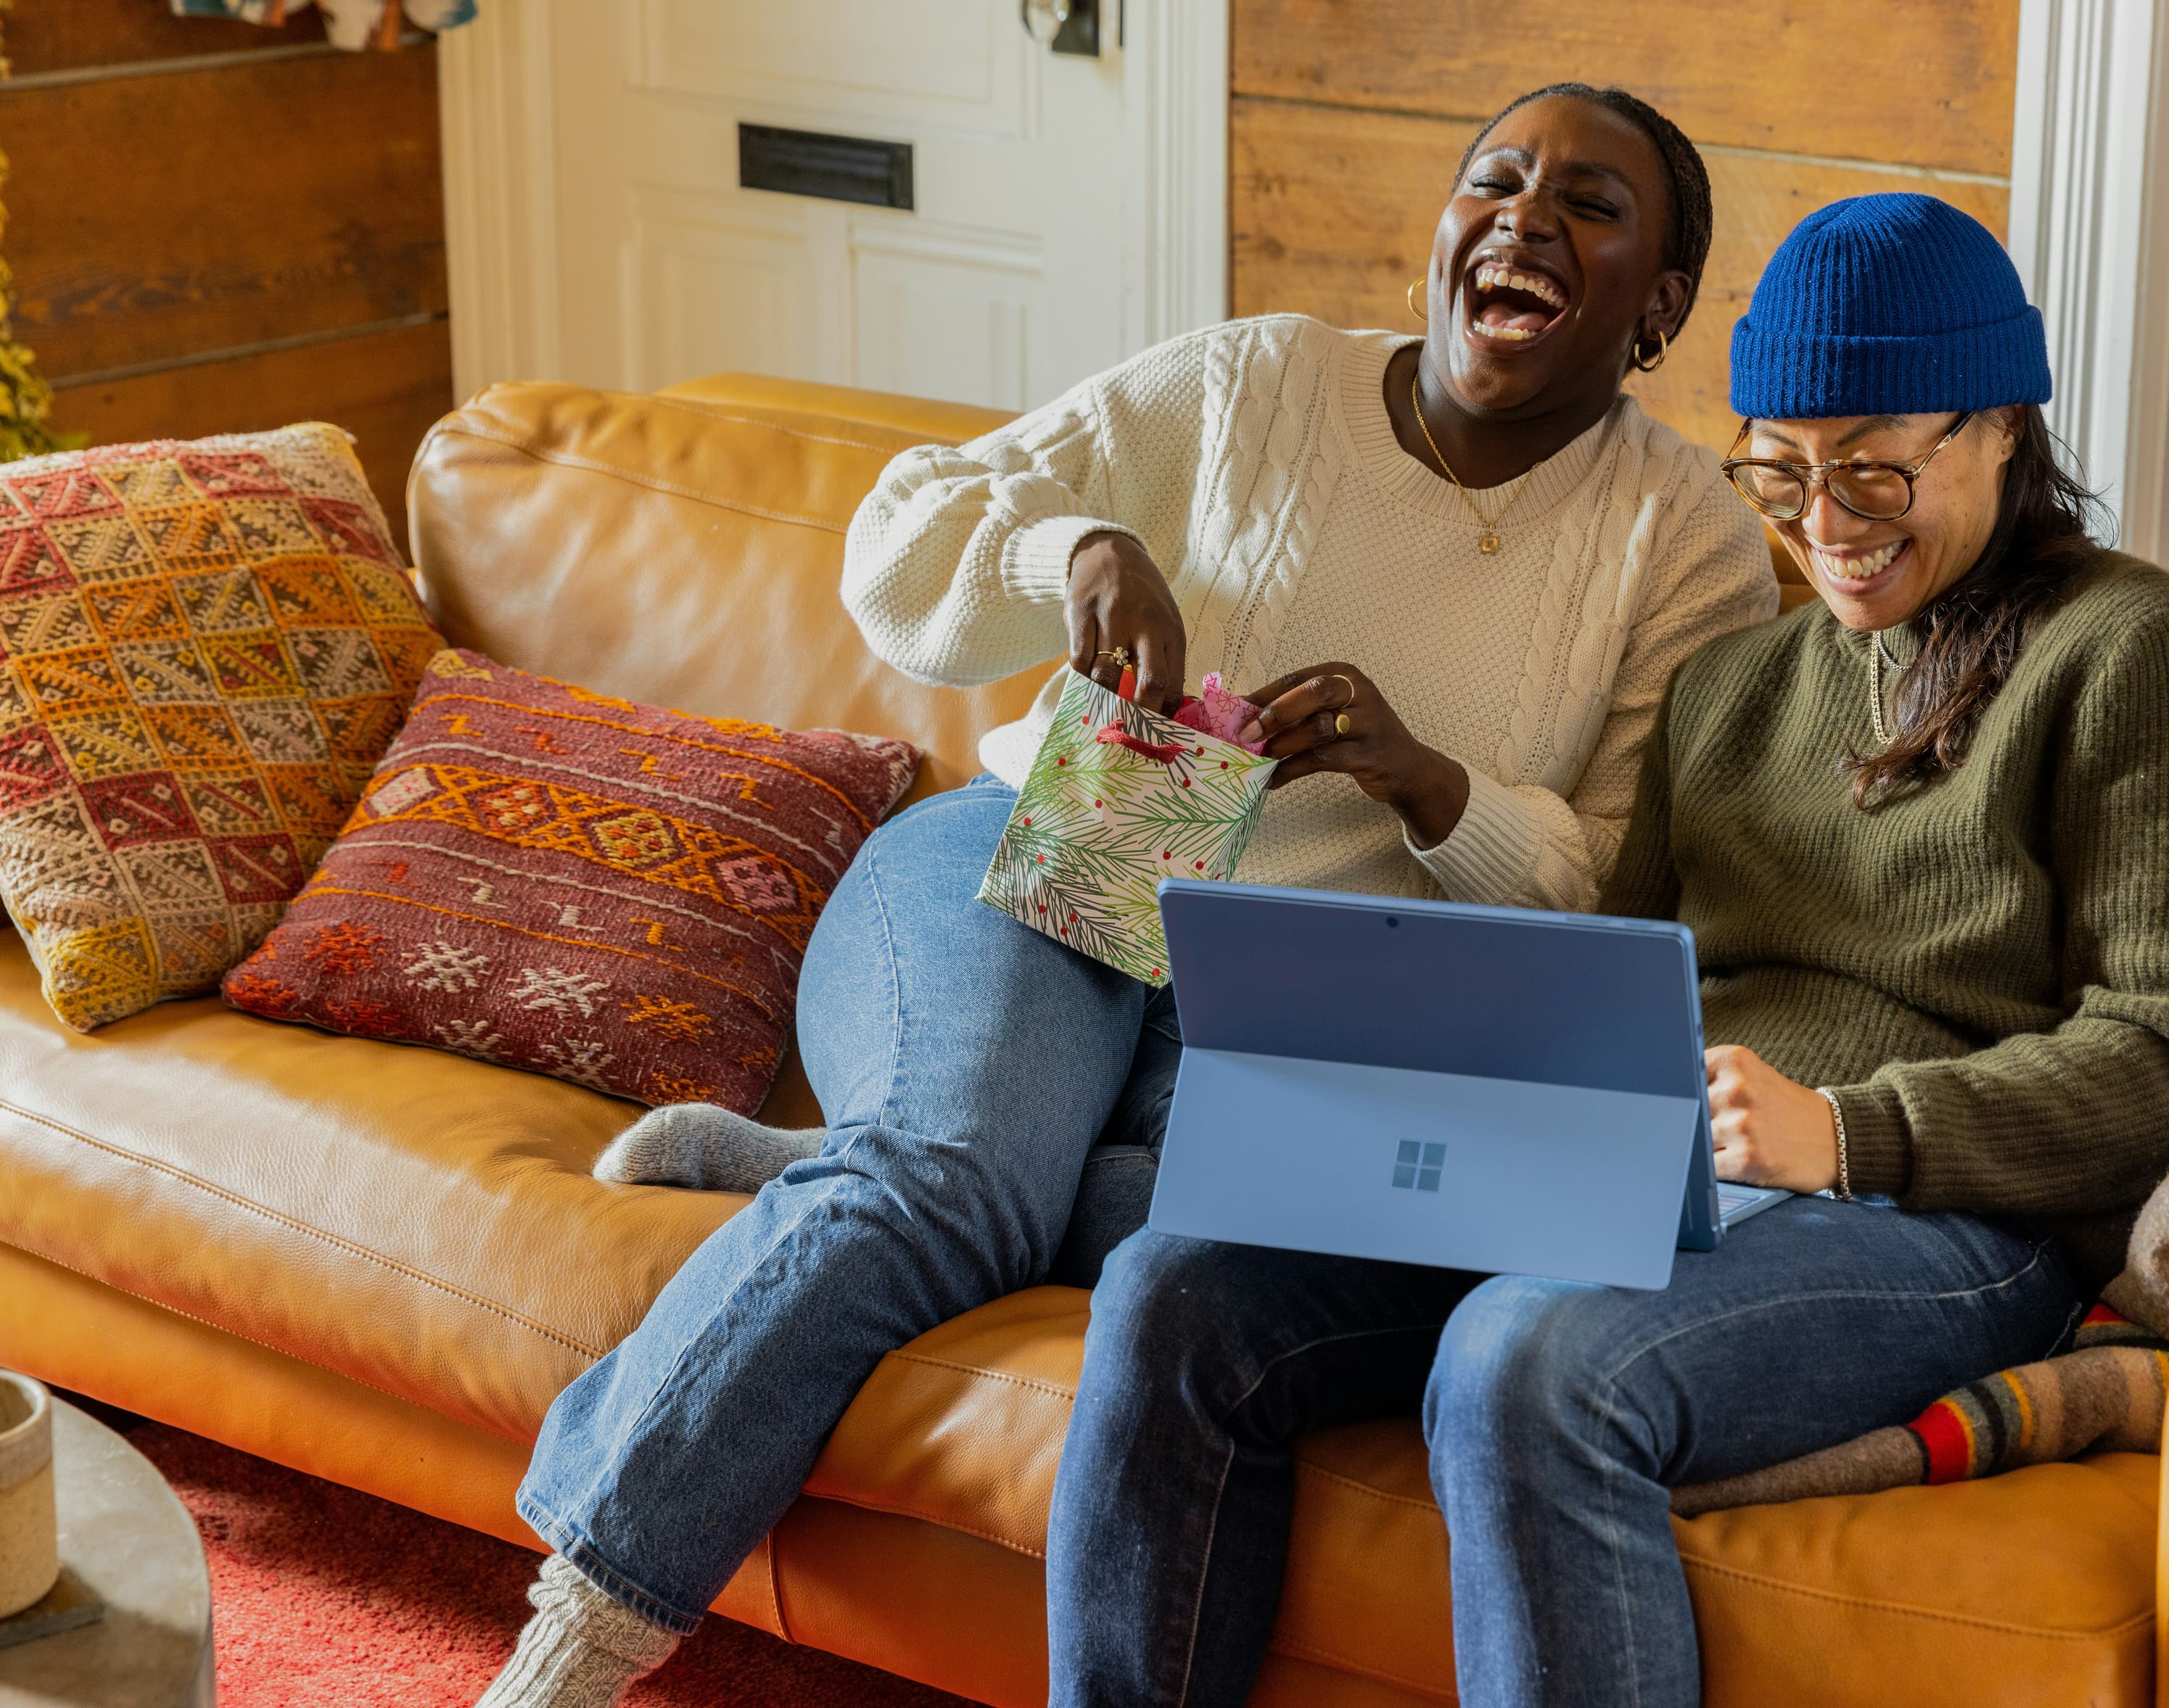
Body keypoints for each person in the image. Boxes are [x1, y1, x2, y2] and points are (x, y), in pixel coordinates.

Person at [469, 83, 1779, 1708]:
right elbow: (902, 539)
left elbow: (1612, 888)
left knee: (1224, 1221)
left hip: (1312, 994)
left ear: (1656, 307)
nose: (1523, 219)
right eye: (1494, 182)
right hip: (1041, 857)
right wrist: (1074, 554)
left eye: (1589, 206)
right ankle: (577, 1638)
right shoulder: (1255, 384)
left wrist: (1429, 783)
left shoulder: (1692, 547)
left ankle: (837, 1167)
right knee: (957, 1173)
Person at [1045, 194, 2169, 1708]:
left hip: (1944, 1214)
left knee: (1530, 1360)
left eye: (1876, 468)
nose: (1825, 523)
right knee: (1179, 1280)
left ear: (2002, 429)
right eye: (1782, 471)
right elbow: (1614, 983)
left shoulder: (2142, 654)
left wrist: (1848, 1131)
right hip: (1658, 1173)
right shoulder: (1734, 690)